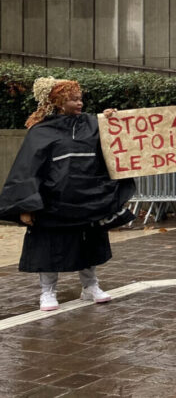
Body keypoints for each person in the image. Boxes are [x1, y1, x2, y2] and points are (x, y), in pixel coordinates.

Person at [0, 78, 135, 311]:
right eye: (74, 99)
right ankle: (47, 291)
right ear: (59, 102)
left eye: (80, 98)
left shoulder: (93, 124)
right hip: (53, 204)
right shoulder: (40, 131)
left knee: (90, 245)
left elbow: (113, 139)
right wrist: (26, 206)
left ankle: (90, 286)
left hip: (88, 199)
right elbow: (27, 168)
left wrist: (111, 118)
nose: (80, 103)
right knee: (48, 248)